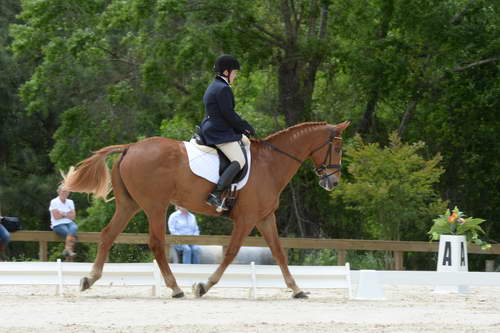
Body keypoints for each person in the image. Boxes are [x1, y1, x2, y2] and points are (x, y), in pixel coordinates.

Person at [199, 54, 256, 211]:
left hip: (211, 126)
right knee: (239, 160)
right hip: (218, 131)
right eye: (235, 72)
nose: (235, 76)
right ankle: (215, 194)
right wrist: (245, 127)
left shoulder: (214, 86)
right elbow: (228, 114)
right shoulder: (223, 88)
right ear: (226, 72)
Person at [49, 185, 78, 258]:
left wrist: (63, 213)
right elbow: (56, 217)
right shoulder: (54, 201)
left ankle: (67, 249)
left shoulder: (70, 202)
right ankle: (69, 250)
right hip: (57, 224)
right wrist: (67, 214)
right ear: (59, 192)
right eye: (63, 191)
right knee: (72, 236)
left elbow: (73, 216)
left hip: (69, 223)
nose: (65, 193)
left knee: (74, 227)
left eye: (67, 191)